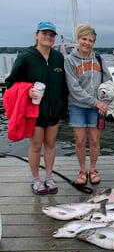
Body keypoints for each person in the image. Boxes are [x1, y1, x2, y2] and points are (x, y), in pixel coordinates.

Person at [5, 21, 68, 195]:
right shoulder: (26, 57)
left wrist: (63, 107)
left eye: (51, 34)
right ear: (36, 35)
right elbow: (11, 84)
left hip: (54, 110)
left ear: (54, 38)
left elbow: (63, 85)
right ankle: (36, 180)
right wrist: (28, 91)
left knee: (50, 144)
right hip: (34, 112)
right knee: (35, 146)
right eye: (44, 33)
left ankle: (49, 177)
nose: (48, 37)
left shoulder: (58, 57)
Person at [64, 23, 112, 185]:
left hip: (96, 107)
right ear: (78, 39)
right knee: (79, 140)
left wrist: (104, 102)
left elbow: (108, 82)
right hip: (77, 106)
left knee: (95, 140)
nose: (87, 43)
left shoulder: (99, 59)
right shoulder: (69, 60)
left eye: (91, 40)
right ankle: (82, 170)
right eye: (84, 39)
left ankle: (93, 169)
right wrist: (96, 102)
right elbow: (74, 88)